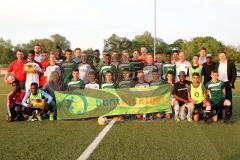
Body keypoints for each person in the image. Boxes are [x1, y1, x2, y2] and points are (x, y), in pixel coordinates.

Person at [216, 52, 236, 119]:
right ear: (219, 57)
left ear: (225, 56)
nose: (222, 57)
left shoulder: (230, 63)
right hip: (219, 84)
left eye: (223, 56)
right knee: (219, 99)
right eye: (220, 56)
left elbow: (234, 73)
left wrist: (231, 83)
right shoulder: (217, 64)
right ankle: (219, 115)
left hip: (227, 83)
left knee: (228, 99)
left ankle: (228, 116)